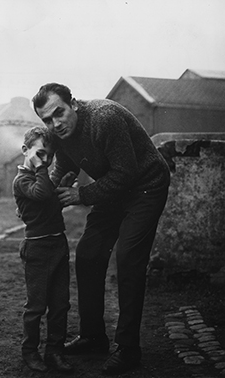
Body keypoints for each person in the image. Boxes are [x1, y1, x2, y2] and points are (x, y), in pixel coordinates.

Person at [31, 83, 170, 375]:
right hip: (113, 190)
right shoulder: (62, 134)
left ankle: (129, 349)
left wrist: (81, 196)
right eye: (47, 119)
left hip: (145, 187)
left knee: (129, 258)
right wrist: (37, 199)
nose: (55, 123)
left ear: (75, 105)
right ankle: (93, 337)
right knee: (88, 253)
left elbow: (125, 173)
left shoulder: (105, 118)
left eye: (59, 112)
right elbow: (61, 170)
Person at [13, 126, 76, 373]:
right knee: (36, 306)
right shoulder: (22, 180)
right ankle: (29, 351)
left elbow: (50, 205)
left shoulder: (43, 178)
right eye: (40, 154)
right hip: (37, 248)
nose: (46, 161)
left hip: (58, 245)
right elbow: (40, 194)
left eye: (50, 156)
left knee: (60, 304)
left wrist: (62, 185)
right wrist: (42, 171)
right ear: (25, 150)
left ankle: (54, 352)